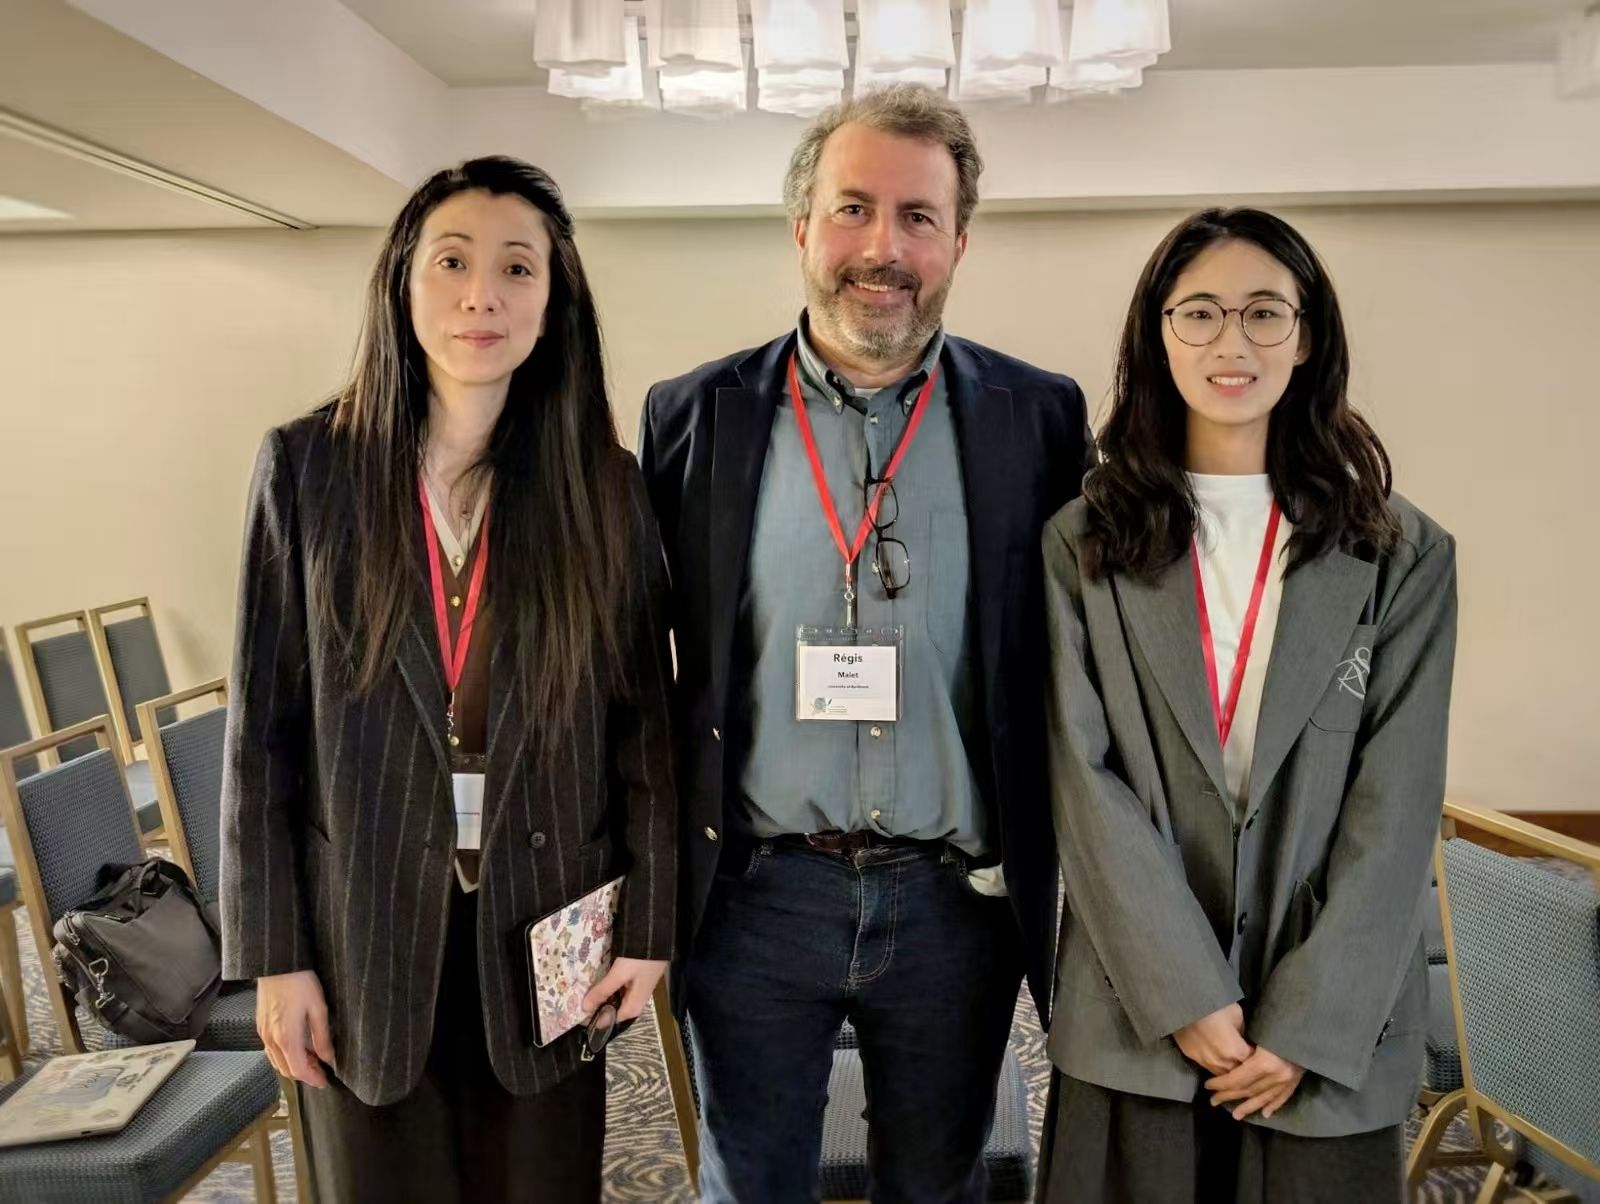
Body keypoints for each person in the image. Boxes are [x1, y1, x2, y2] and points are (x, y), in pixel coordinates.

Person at [638, 85, 1094, 1202]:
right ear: (802, 227)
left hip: (956, 903)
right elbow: (642, 671)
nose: (882, 247)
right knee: (750, 1186)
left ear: (958, 243)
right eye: (852, 209)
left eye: (917, 216)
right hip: (755, 898)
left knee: (938, 1186)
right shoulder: (692, 416)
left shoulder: (1038, 418)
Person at [219, 155, 676, 1203]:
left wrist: (649, 932)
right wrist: (276, 958)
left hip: (550, 923)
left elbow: (643, 729)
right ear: (403, 281)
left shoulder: (601, 486)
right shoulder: (308, 469)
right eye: (453, 261)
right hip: (361, 931)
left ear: (552, 304)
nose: (483, 295)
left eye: (518, 268)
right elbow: (261, 736)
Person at [1038, 206, 1458, 1203]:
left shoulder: (1400, 552)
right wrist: (1183, 992)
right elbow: (1083, 780)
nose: (1233, 341)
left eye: (1265, 312)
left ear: (1307, 337)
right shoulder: (1083, 541)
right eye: (1200, 313)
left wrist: (1309, 1022)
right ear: (1158, 335)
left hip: (1326, 1025)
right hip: (1137, 1006)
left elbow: (1397, 806)